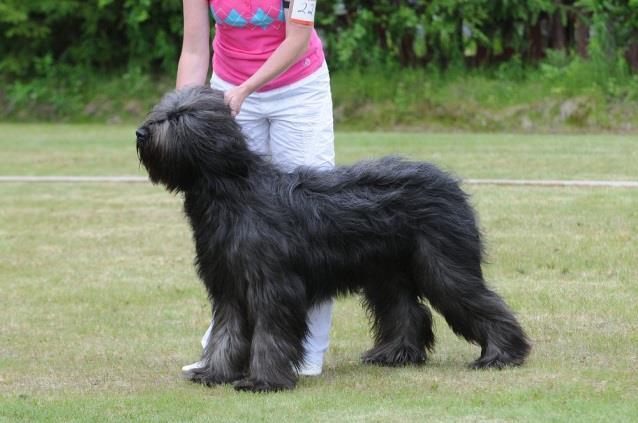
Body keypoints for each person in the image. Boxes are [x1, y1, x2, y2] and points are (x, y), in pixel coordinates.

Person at [177, 0, 334, 377]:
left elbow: (297, 40)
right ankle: (226, 346)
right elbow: (195, 49)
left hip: (298, 91)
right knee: (226, 224)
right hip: (228, 92)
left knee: (310, 218)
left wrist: (246, 89)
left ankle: (307, 350)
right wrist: (181, 114)